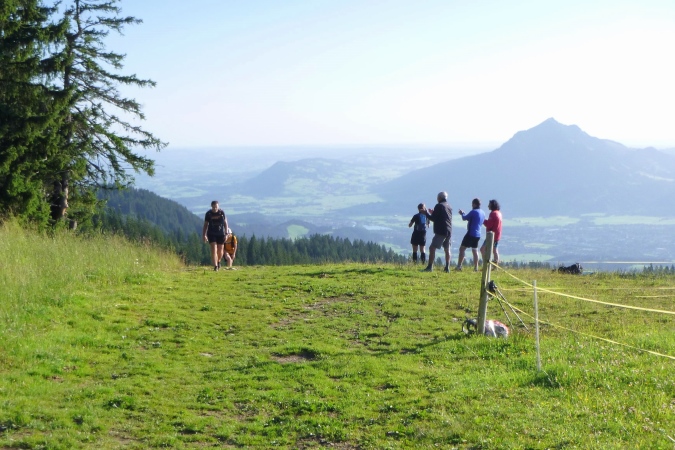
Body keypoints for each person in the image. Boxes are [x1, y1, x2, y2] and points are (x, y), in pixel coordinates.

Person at [422, 191, 453, 272]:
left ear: (439, 198)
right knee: (447, 249)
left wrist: (426, 213)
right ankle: (447, 267)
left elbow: (433, 219)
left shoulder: (439, 206)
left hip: (441, 230)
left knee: (432, 248)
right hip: (449, 230)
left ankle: (430, 267)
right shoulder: (449, 206)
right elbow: (443, 216)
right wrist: (433, 213)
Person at [456, 198, 485, 271]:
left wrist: (462, 213)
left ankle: (459, 266)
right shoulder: (482, 212)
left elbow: (464, 218)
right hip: (478, 234)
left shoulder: (473, 211)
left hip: (470, 233)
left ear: (474, 204)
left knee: (462, 249)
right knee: (475, 250)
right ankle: (476, 267)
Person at [202, 200, 228, 271]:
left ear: (218, 206)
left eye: (216, 207)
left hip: (221, 234)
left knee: (220, 250)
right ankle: (215, 266)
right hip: (211, 233)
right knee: (214, 249)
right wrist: (204, 235)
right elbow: (205, 225)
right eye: (213, 207)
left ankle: (218, 261)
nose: (215, 208)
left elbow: (225, 223)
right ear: (211, 207)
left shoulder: (222, 213)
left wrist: (226, 233)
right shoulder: (208, 214)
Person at [481, 199, 502, 264]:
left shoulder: (493, 214)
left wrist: (482, 220)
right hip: (497, 235)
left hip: (491, 236)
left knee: (483, 249)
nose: (488, 206)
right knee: (495, 250)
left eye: (489, 205)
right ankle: (496, 264)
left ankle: (486, 264)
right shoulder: (499, 213)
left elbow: (489, 225)